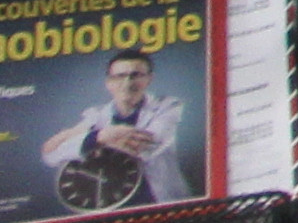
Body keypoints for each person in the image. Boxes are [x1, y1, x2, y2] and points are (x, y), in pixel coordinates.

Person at [46, 48, 193, 206]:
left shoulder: (168, 106)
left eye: (136, 75)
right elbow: (51, 155)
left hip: (159, 203)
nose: (127, 83)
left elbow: (146, 145)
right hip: (113, 204)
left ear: (149, 79)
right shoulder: (95, 115)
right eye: (120, 76)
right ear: (109, 83)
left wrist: (93, 141)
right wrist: (99, 136)